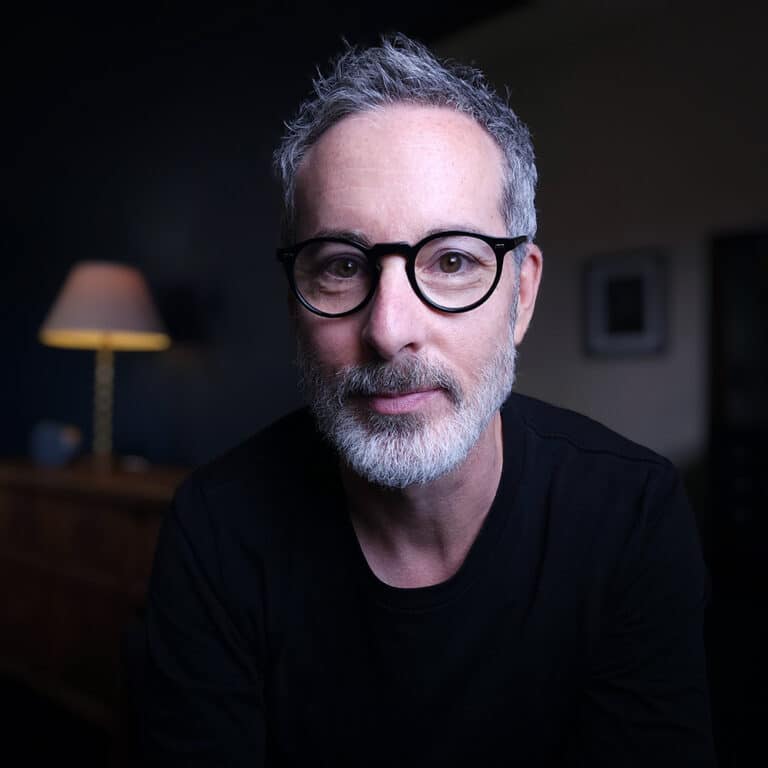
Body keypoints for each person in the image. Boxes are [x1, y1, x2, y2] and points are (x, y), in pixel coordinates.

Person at [135, 33, 716, 766]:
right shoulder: (215, 531)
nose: (389, 330)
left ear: (522, 292)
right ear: (293, 302)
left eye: (451, 261)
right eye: (343, 266)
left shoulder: (632, 516)